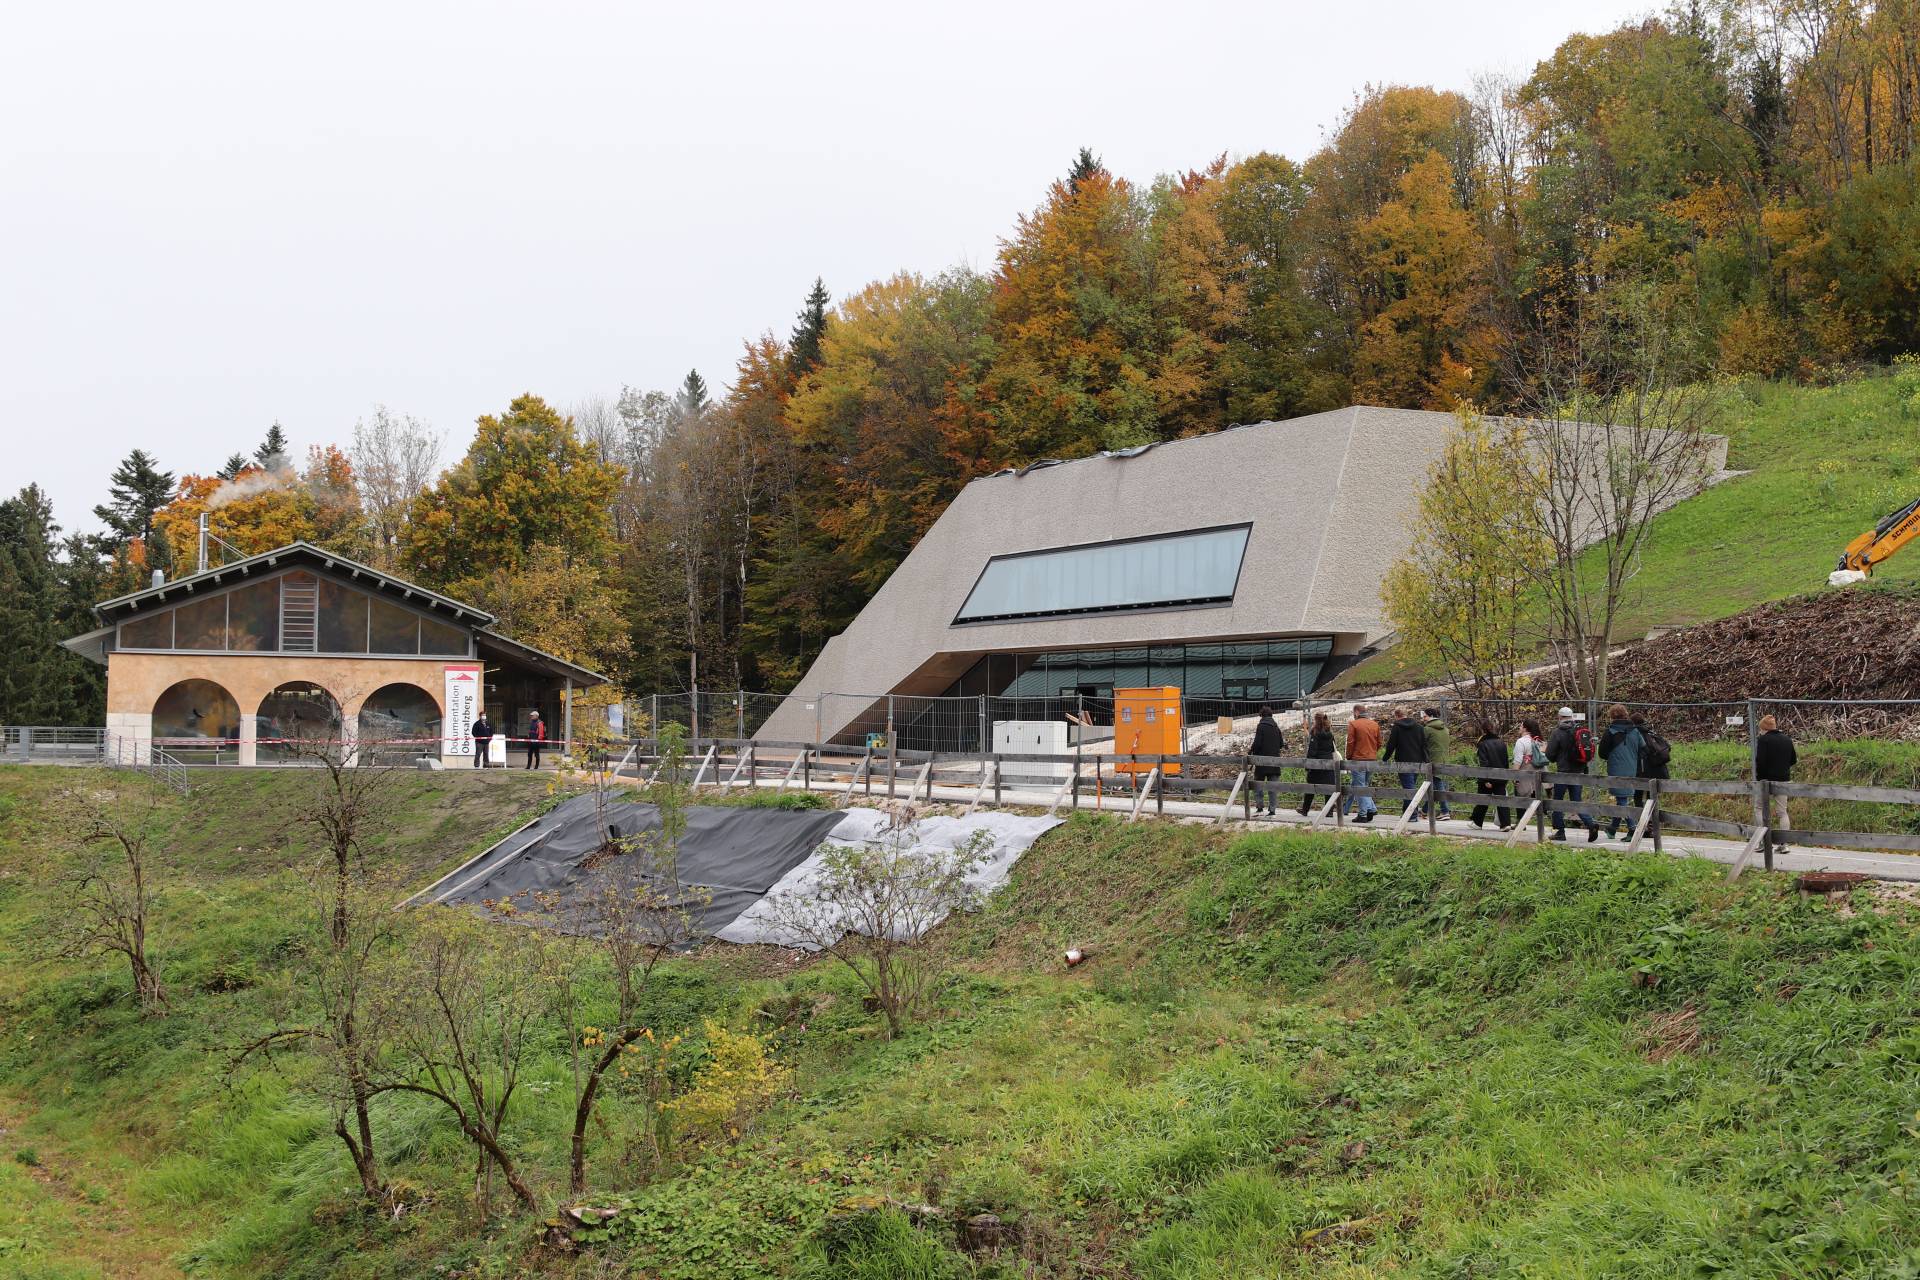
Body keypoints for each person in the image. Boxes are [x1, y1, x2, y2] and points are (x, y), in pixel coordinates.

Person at [1543, 706, 1598, 842]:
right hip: (1578, 772)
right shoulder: (1579, 730)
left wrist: (1557, 758)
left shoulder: (1557, 733)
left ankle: (1560, 831)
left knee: (1557, 802)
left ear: (1560, 717)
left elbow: (1550, 754)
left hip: (1563, 772)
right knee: (1576, 801)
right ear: (1571, 717)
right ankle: (1590, 824)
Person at [1597, 704, 1644, 840]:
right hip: (1632, 768)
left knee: (1622, 799)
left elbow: (1602, 753)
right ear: (1625, 714)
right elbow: (1643, 747)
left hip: (1616, 768)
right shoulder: (1635, 731)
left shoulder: (1610, 731)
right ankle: (1612, 828)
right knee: (1622, 798)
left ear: (1612, 716)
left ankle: (1633, 829)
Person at [1755, 714, 1798, 849]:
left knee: (1759, 808)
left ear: (1764, 728)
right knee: (1782, 812)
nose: (1760, 732)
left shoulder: (1763, 740)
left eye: (1760, 729)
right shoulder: (1787, 739)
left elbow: (1760, 762)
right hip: (1783, 780)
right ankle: (1783, 843)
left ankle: (1763, 841)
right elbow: (1793, 760)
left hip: (1766, 781)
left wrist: (1760, 778)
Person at [1380, 706, 1429, 817]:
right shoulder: (1419, 727)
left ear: (1397, 716)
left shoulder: (1397, 727)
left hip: (1402, 761)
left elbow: (1391, 745)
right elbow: (1424, 745)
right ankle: (1407, 812)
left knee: (1408, 788)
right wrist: (1426, 760)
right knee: (1410, 786)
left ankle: (1411, 815)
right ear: (1406, 714)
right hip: (1417, 761)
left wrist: (1385, 758)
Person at [1470, 723, 1512, 830]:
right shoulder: (1502, 743)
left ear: (1483, 731)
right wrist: (1505, 776)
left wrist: (1485, 779)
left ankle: (1477, 822)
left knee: (1483, 799)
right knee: (1502, 801)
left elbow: (1484, 763)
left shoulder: (1483, 744)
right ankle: (1505, 823)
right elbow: (1506, 761)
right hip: (1501, 776)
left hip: (1488, 777)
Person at [1344, 704, 1381, 823]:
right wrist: (1372, 752)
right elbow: (1379, 742)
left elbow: (1350, 742)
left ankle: (1363, 814)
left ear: (1356, 712)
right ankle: (1371, 809)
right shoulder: (1375, 724)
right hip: (1372, 759)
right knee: (1364, 784)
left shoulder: (1354, 724)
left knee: (1359, 787)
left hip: (1358, 759)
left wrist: (1349, 756)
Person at [1249, 705, 1285, 817]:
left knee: (1258, 785)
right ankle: (1272, 810)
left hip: (1262, 762)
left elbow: (1257, 744)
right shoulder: (1276, 727)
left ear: (1261, 715)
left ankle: (1260, 807)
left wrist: (1251, 750)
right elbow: (1281, 744)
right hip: (1274, 762)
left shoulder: (1261, 726)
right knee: (1273, 787)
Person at [1301, 712, 1338, 816]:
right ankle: (1329, 811)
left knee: (1311, 787)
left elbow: (1312, 750)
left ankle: (1305, 810)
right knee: (1328, 788)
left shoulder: (1315, 732)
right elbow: (1332, 748)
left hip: (1317, 764)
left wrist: (1308, 766)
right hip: (1329, 763)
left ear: (1316, 720)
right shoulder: (1330, 733)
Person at [1421, 709, 1454, 819]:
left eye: (1424, 716)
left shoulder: (1427, 729)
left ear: (1431, 716)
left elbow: (1422, 744)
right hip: (1444, 759)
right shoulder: (1445, 728)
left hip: (1433, 760)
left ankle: (1445, 811)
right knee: (1434, 785)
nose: (1423, 719)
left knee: (1438, 785)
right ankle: (1425, 810)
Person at [1512, 717, 1546, 814]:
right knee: (1536, 798)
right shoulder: (1539, 741)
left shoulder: (1521, 742)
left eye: (1521, 725)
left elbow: (1518, 761)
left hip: (1524, 773)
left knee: (1520, 797)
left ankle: (1521, 822)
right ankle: (1540, 820)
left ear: (1525, 728)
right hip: (1537, 775)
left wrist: (1514, 776)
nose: (1519, 727)